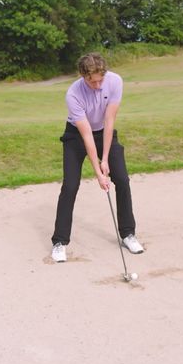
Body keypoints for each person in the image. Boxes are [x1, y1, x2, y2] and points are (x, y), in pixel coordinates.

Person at [51, 53, 144, 263]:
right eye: (91, 81)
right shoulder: (73, 94)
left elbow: (109, 121)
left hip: (104, 132)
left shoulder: (115, 81)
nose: (97, 85)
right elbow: (86, 136)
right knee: (70, 186)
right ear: (83, 76)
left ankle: (128, 234)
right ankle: (59, 242)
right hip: (76, 135)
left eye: (100, 79)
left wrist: (106, 159)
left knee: (121, 179)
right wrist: (98, 172)